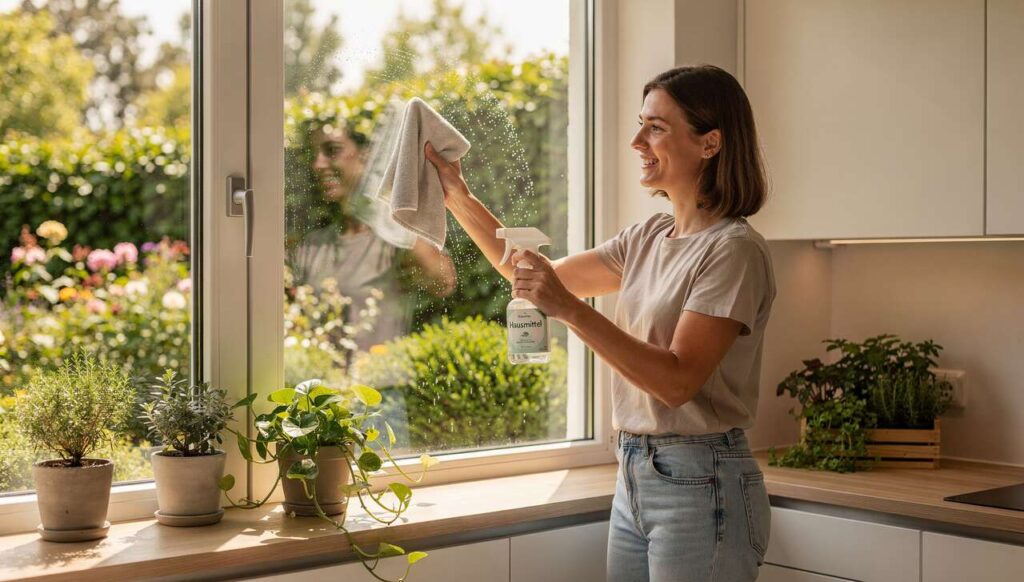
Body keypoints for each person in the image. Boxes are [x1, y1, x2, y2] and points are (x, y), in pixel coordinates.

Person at [426, 64, 775, 581]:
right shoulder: (648, 237)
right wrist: (458, 197)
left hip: (703, 480)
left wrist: (569, 308)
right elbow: (531, 276)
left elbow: (677, 382)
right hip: (635, 472)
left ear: (710, 143)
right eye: (641, 124)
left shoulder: (732, 251)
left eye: (656, 127)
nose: (637, 141)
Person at [288, 121, 457, 353]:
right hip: (324, 386)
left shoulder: (395, 235)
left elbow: (443, 282)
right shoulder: (314, 245)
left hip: (383, 385)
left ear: (367, 155)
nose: (317, 164)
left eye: (332, 150)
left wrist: (388, 213)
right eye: (314, 154)